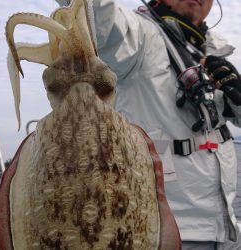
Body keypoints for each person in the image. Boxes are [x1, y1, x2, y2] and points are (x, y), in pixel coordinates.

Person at [56, 0, 241, 249]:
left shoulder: (213, 52)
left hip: (224, 227)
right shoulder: (139, 36)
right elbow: (99, 15)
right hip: (162, 229)